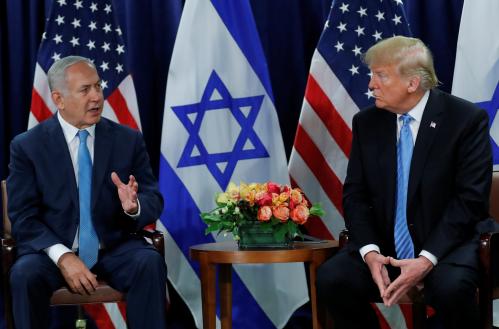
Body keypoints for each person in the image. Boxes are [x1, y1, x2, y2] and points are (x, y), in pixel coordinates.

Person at [317, 36, 492, 328]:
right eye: (371, 75)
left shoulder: (465, 119)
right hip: (386, 249)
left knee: (451, 289)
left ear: (413, 83)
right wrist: (370, 252)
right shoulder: (367, 122)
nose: (371, 84)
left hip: (448, 246)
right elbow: (355, 195)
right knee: (333, 279)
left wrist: (426, 259)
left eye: (381, 75)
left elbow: (469, 201)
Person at [7, 56, 167, 329]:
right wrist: (64, 256)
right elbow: (23, 216)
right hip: (53, 252)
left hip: (114, 248)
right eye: (85, 90)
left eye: (98, 86)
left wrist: (134, 207)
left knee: (148, 262)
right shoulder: (28, 147)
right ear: (59, 99)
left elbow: (154, 199)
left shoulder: (128, 140)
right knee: (24, 274)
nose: (96, 97)